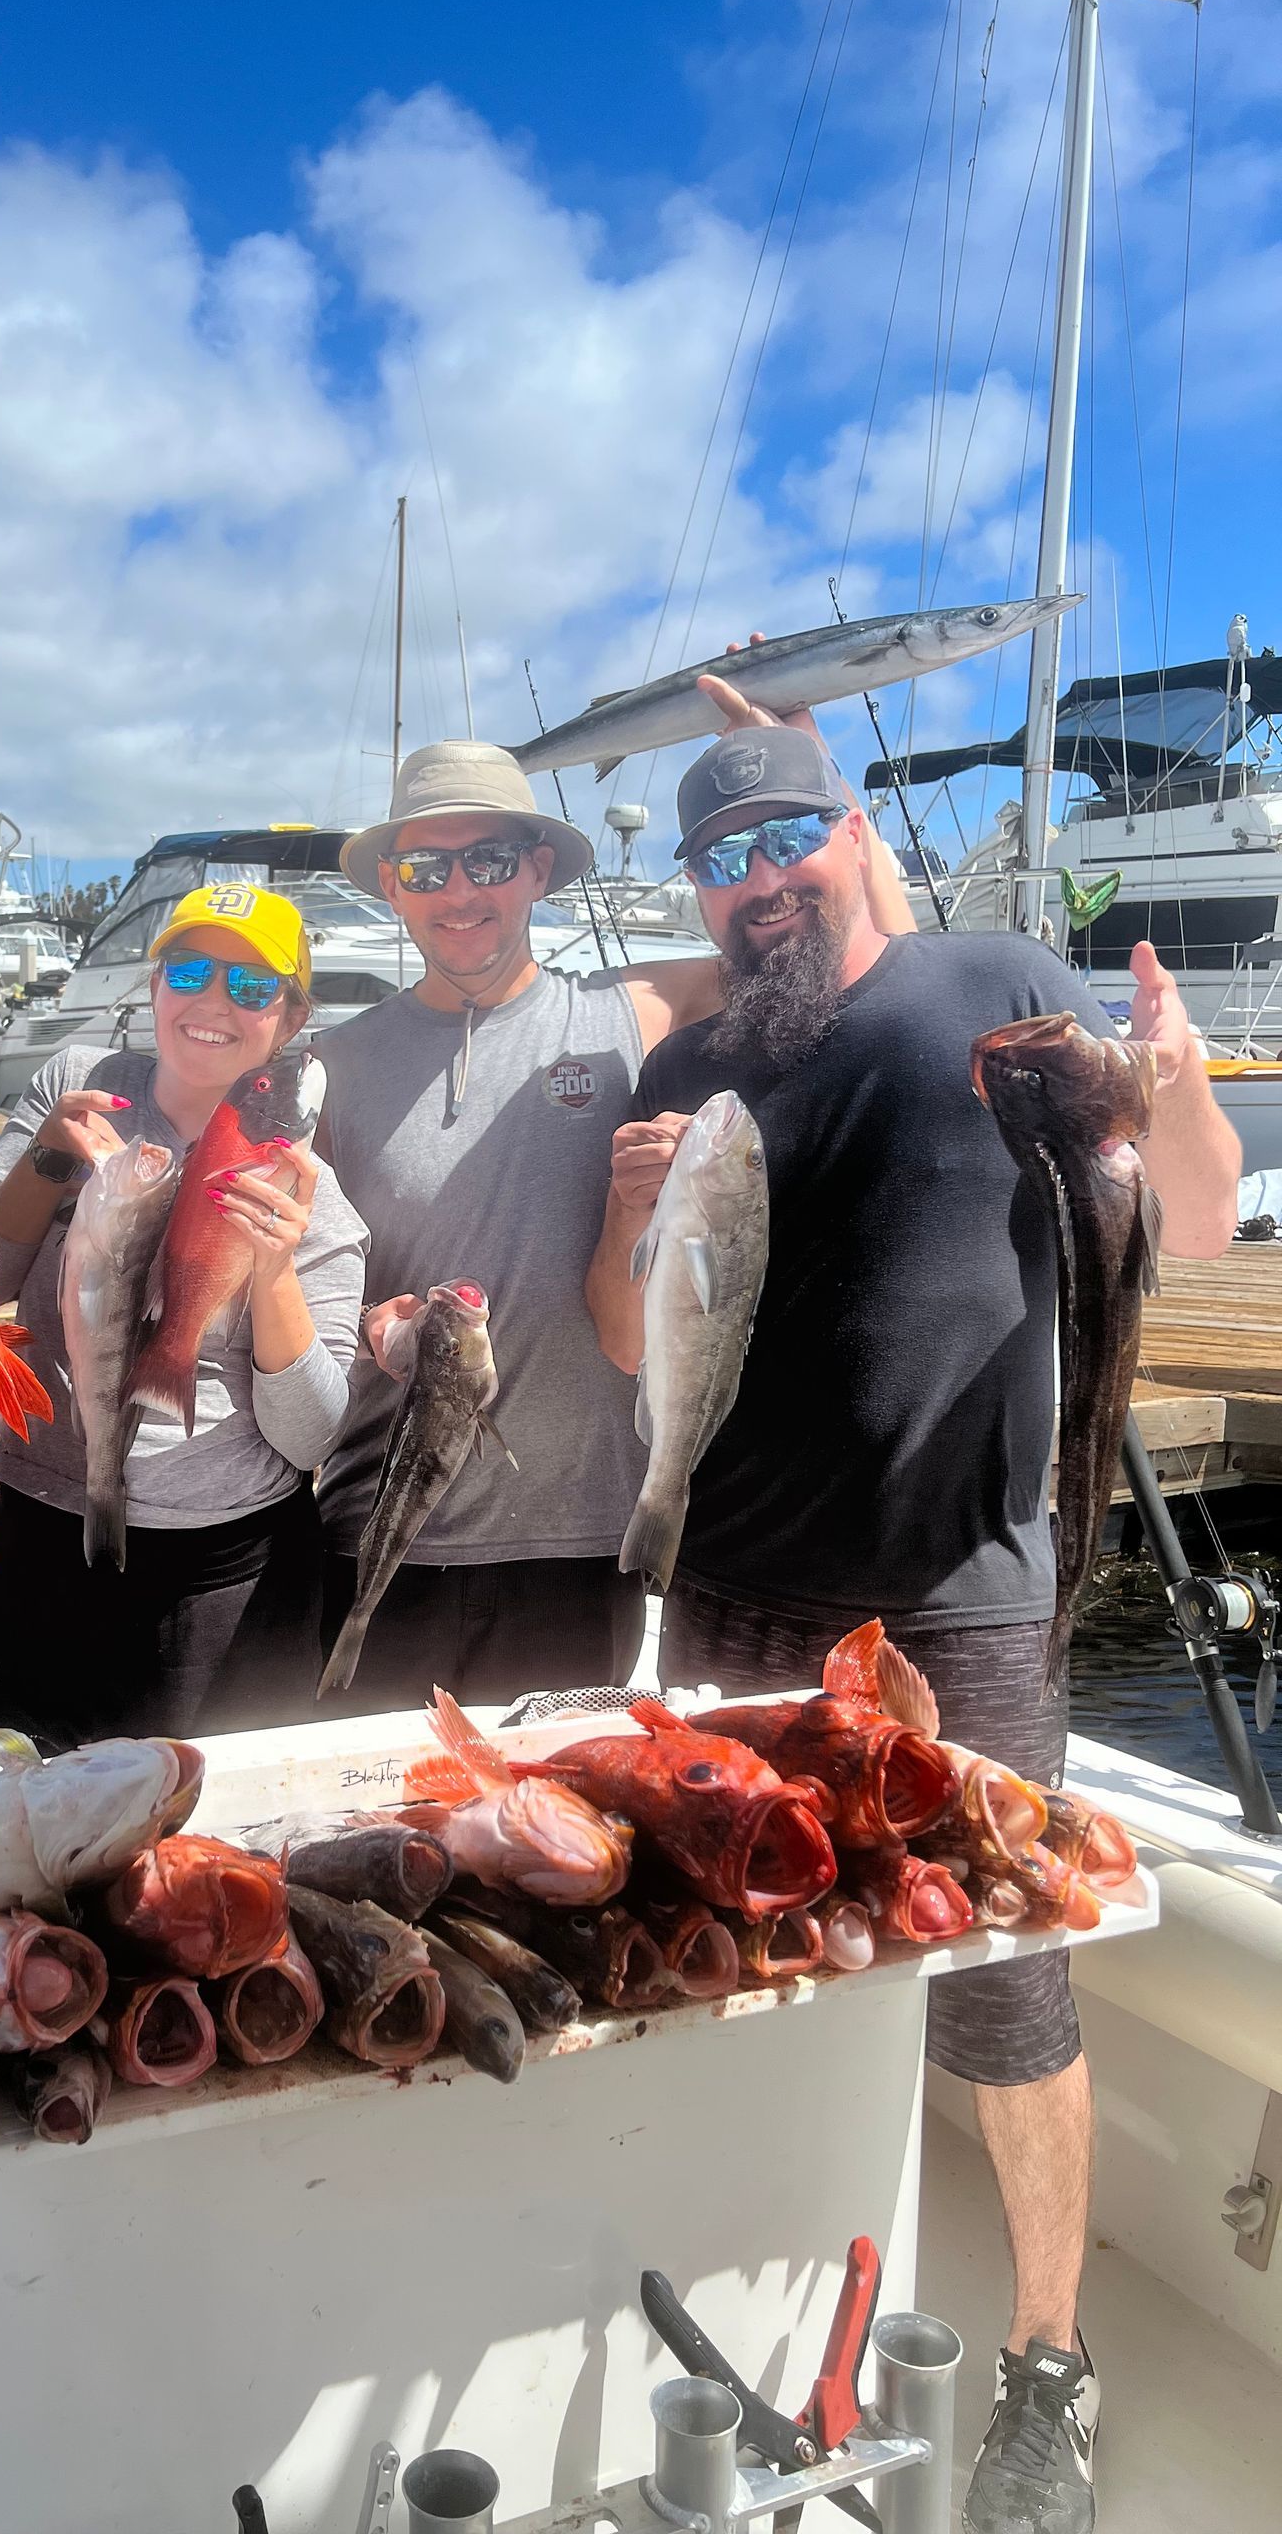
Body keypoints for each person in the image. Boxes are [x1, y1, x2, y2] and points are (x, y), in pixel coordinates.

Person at [584, 724, 1241, 2534]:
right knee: (754, 1949)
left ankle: (1048, 2367)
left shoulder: (1000, 983)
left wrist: (1174, 1080)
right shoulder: (703, 1057)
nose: (760, 875)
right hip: (730, 1601)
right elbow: (632, 1351)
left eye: (791, 833)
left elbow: (1191, 1212)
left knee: (1009, 1992)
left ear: (855, 837)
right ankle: (765, 2297)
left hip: (963, 1599)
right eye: (725, 855)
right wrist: (627, 1224)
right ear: (697, 889)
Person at [313, 728, 914, 1708]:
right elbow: (312, 1289)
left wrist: (819, 779)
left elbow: (847, 948)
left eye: (491, 860)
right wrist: (373, 1324)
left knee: (560, 1840)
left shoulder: (634, 1010)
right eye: (426, 866)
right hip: (380, 1530)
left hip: (582, 1541)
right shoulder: (333, 1063)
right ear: (391, 883)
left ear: (538, 869)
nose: (460, 892)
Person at [0, 881, 366, 1746]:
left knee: (178, 1845)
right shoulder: (78, 1084)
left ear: (290, 1018)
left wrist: (274, 1269)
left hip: (218, 1573)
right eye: (190, 969)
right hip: (36, 1527)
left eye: (252, 987)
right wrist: (50, 1161)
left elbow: (315, 1437)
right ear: (153, 985)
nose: (213, 1001)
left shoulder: (307, 1192)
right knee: (8, 1802)